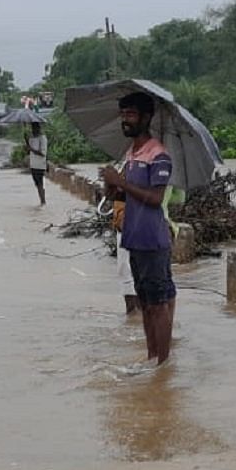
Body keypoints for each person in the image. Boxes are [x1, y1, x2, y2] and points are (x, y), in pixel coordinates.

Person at [100, 90, 176, 364]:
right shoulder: (132, 156)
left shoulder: (159, 156)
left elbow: (155, 199)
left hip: (153, 241)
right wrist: (111, 186)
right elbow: (123, 196)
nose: (125, 120)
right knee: (145, 304)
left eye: (130, 114)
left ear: (146, 117)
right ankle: (151, 358)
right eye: (123, 115)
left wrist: (121, 183)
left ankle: (163, 366)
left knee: (158, 304)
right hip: (133, 239)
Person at [25, 120, 48, 206]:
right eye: (33, 128)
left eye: (35, 128)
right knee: (37, 184)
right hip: (33, 164)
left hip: (40, 164)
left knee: (40, 183)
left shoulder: (43, 138)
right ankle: (42, 201)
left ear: (39, 128)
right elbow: (29, 152)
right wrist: (27, 146)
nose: (34, 130)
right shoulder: (31, 139)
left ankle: (43, 201)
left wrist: (31, 149)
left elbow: (43, 153)